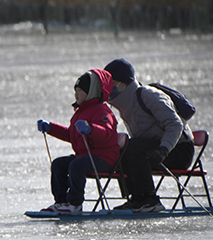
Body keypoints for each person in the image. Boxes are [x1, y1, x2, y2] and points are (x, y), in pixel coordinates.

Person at [103, 58, 195, 213]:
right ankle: (137, 198)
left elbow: (175, 124)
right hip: (155, 149)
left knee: (134, 146)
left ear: (123, 83)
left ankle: (150, 199)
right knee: (122, 149)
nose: (108, 89)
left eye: (111, 84)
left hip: (178, 150)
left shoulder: (148, 95)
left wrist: (163, 149)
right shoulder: (125, 104)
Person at [37, 69, 120, 215]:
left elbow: (107, 133)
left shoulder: (102, 111)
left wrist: (90, 129)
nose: (76, 94)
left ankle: (75, 204)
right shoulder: (80, 113)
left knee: (77, 165)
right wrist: (50, 128)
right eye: (75, 90)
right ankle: (61, 202)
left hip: (105, 158)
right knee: (59, 164)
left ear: (91, 92)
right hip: (85, 156)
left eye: (80, 91)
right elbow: (71, 135)